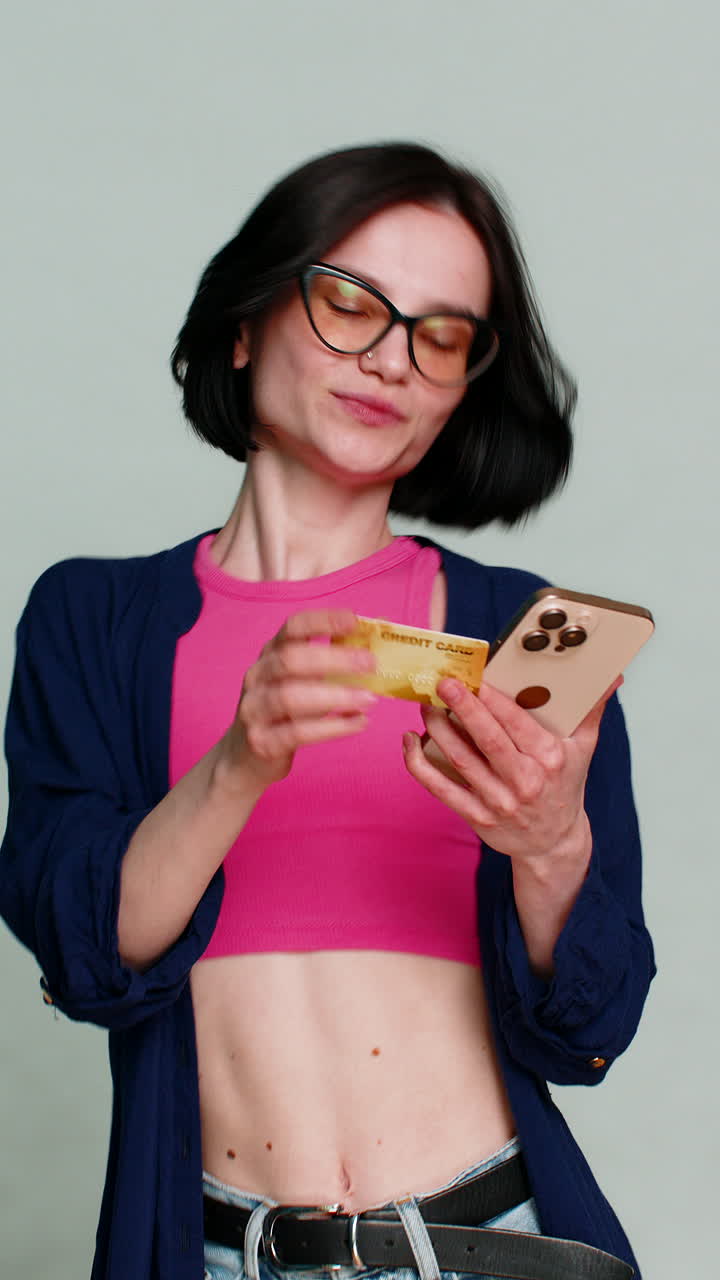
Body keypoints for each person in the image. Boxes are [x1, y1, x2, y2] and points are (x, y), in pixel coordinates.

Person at [0, 142, 655, 1280]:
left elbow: (589, 1026)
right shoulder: (93, 619)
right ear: (245, 324)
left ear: (461, 388)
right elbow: (87, 948)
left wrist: (552, 845)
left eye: (441, 334)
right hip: (206, 1251)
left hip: (490, 1240)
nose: (392, 359)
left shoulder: (517, 634)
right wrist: (238, 762)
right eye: (350, 302)